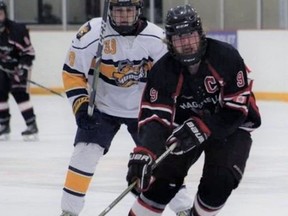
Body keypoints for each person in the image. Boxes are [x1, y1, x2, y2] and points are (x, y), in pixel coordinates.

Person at [126, 4, 261, 216]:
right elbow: (154, 118)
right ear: (169, 42)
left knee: (219, 182)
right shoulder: (163, 71)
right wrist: (145, 152)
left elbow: (237, 109)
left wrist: (205, 126)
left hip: (231, 127)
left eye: (189, 34)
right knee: (159, 183)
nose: (186, 43)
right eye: (178, 38)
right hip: (183, 129)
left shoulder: (226, 57)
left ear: (200, 33)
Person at [60, 0, 192, 215]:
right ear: (109, 11)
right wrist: (81, 105)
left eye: (128, 11)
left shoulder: (156, 38)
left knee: (161, 160)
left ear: (138, 11)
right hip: (102, 108)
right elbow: (72, 72)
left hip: (144, 110)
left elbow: (170, 79)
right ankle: (69, 211)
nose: (123, 16)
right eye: (118, 10)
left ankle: (183, 207)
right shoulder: (92, 32)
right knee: (84, 153)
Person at [0, 1, 38, 141]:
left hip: (19, 68)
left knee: (19, 93)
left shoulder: (17, 30)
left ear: (5, 14)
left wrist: (22, 67)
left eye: (1, 13)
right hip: (3, 68)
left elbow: (29, 52)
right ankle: (3, 124)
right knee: (0, 92)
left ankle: (31, 124)